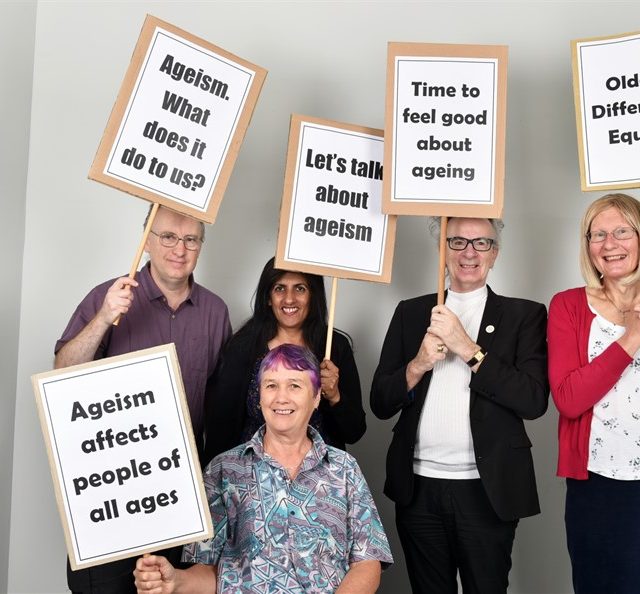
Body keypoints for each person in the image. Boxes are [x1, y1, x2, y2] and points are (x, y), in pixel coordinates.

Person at [55, 204, 231, 594]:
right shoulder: (109, 296)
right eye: (168, 236)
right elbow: (62, 371)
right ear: (148, 240)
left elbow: (221, 410)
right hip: (110, 484)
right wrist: (103, 318)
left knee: (165, 590)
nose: (179, 249)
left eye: (190, 240)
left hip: (178, 493)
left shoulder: (216, 312)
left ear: (201, 246)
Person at [370, 217, 549, 594]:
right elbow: (381, 402)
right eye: (457, 242)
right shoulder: (411, 312)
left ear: (495, 253)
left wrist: (468, 348)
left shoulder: (524, 315)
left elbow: (533, 400)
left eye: (481, 243)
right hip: (418, 488)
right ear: (442, 251)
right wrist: (418, 364)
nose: (469, 252)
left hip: (486, 489)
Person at [135, 343, 393, 593]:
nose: (281, 397)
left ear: (316, 398)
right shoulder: (222, 471)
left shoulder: (344, 469)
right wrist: (175, 582)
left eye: (294, 385)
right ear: (259, 396)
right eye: (271, 385)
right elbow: (211, 573)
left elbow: (367, 562)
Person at [548, 193, 640, 594]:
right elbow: (568, 399)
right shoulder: (568, 306)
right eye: (598, 234)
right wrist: (631, 339)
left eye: (622, 231)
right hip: (599, 485)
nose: (610, 244)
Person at [203, 256, 365, 465]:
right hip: (252, 477)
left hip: (321, 480)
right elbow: (221, 428)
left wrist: (334, 396)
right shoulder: (243, 347)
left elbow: (355, 432)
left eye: (300, 289)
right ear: (268, 297)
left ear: (312, 296)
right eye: (280, 288)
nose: (289, 299)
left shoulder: (334, 347)